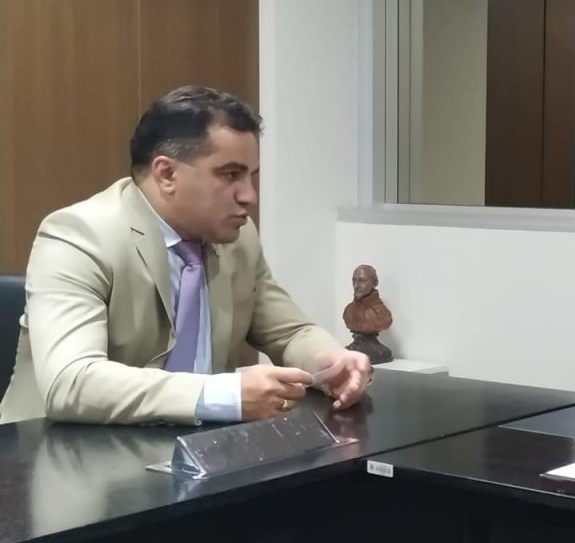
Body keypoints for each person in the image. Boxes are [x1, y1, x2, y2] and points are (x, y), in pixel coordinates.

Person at [0, 86, 371, 425]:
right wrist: (222, 394)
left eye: (252, 177)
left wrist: (329, 361)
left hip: (193, 452)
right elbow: (71, 382)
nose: (249, 197)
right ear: (166, 174)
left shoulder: (238, 238)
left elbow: (290, 332)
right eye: (230, 175)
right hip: (55, 455)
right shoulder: (79, 236)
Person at [342, 264, 394, 364]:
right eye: (354, 280)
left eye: (362, 281)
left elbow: (386, 322)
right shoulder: (348, 310)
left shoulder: (382, 314)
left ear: (375, 283)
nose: (356, 285)